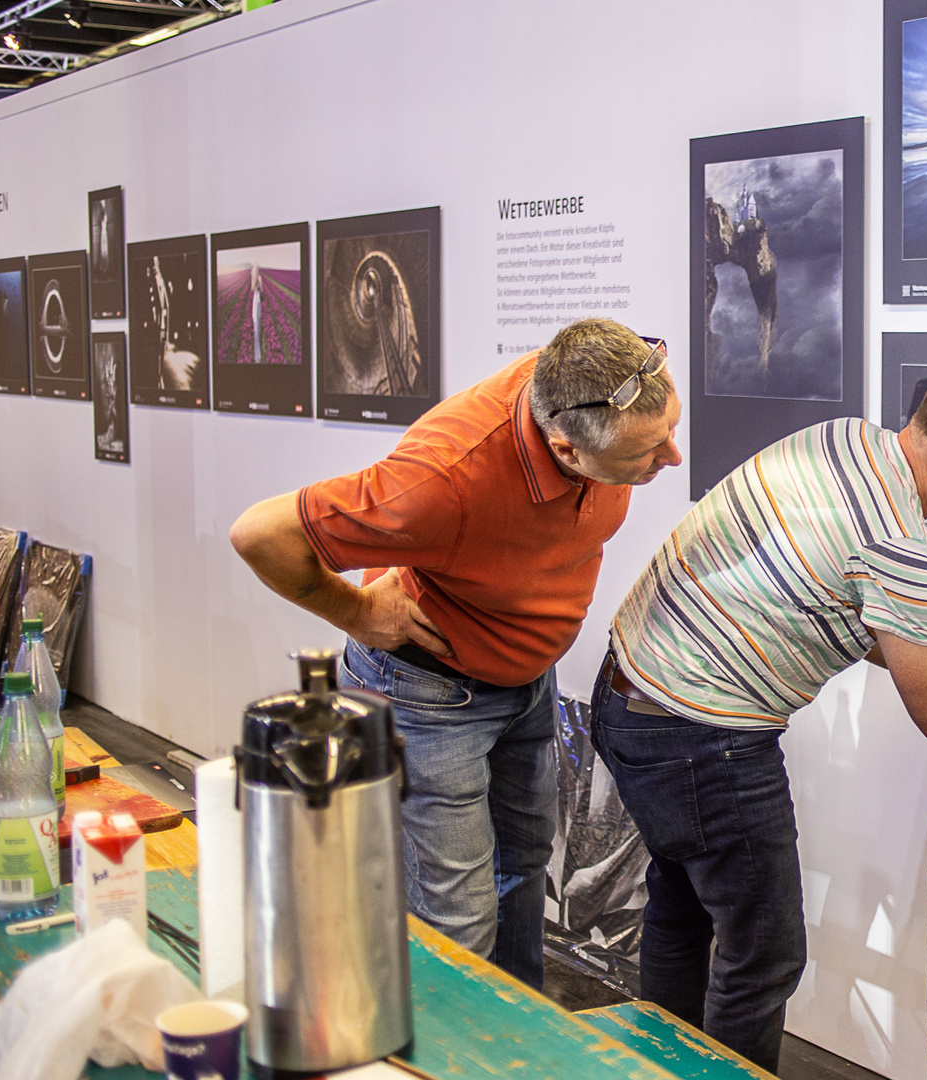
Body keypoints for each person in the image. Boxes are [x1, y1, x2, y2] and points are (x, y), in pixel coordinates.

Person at [593, 355, 927, 1072]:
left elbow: (868, 627)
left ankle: (659, 1068)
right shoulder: (898, 545)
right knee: (766, 956)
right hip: (699, 737)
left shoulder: (845, 442)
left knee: (682, 911)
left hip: (631, 695)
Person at [229, 318, 681, 987]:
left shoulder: (593, 378)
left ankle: (516, 1038)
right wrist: (355, 612)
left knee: (523, 866)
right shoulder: (441, 479)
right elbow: (260, 533)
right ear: (566, 448)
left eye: (670, 430)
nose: (671, 458)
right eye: (646, 454)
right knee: (458, 918)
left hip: (524, 685)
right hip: (429, 698)